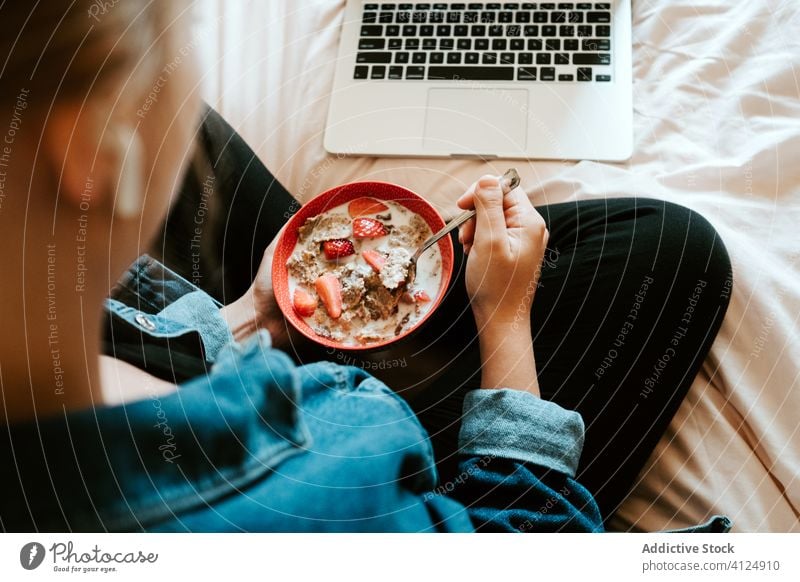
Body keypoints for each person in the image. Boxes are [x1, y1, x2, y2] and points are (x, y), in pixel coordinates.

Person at [0, 2, 731, 532]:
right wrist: (505, 320)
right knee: (678, 254)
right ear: (94, 153)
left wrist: (255, 317)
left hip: (255, 334)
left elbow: (144, 349)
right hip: (380, 443)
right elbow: (523, 538)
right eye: (185, 27)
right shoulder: (308, 510)